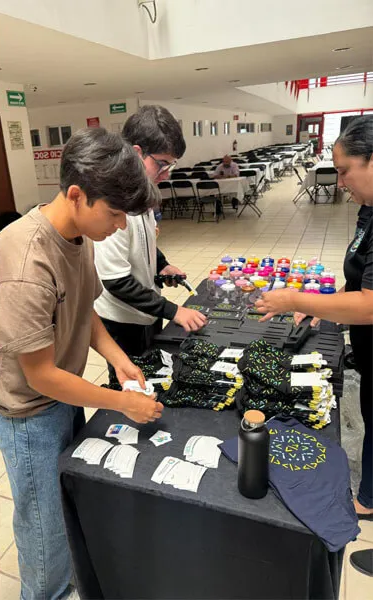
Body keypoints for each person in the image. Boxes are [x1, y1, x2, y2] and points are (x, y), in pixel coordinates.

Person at [0, 127, 163, 600]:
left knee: (67, 511)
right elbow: (41, 375)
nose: (121, 227)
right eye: (114, 214)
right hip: (28, 415)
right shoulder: (27, 261)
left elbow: (83, 310)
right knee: (43, 531)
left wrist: (118, 359)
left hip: (61, 399)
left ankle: (67, 585)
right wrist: (121, 403)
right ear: (76, 195)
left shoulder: (80, 234)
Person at [254, 115, 373, 578]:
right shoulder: (369, 208)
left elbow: (369, 302)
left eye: (345, 171)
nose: (339, 182)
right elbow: (356, 281)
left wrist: (294, 298)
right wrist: (323, 306)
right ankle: (367, 498)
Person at [94, 105, 207, 365]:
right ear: (136, 153)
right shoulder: (111, 202)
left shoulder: (142, 190)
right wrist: (173, 311)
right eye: (162, 164)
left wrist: (161, 265)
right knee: (132, 384)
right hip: (122, 320)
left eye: (171, 164)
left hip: (146, 311)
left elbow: (144, 242)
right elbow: (116, 281)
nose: (166, 173)